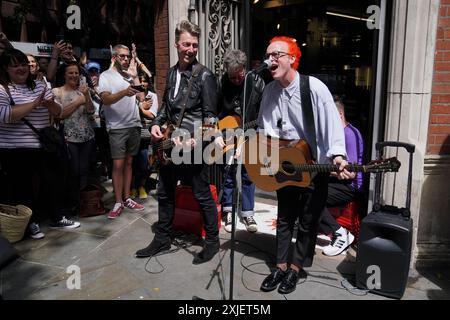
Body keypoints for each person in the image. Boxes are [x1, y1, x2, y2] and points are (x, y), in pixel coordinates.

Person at [257, 36, 350, 294]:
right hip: (286, 166)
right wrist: (268, 159)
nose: (271, 59)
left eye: (277, 54)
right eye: (268, 54)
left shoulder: (314, 88)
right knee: (285, 217)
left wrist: (338, 156)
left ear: (292, 59)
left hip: (314, 167)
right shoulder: (269, 91)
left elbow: (332, 125)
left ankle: (295, 269)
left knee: (308, 221)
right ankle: (280, 266)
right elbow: (266, 130)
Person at [135, 20, 221, 265]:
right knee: (165, 193)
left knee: (202, 194)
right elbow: (165, 109)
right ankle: (162, 238)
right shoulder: (172, 73)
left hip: (193, 149)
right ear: (176, 45)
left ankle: (212, 243)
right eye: (186, 44)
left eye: (195, 45)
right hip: (171, 147)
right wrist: (155, 123)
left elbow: (211, 118)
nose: (191, 49)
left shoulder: (205, 76)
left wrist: (197, 138)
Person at [0, 49, 80, 240]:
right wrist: (34, 104)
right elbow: (5, 116)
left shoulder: (38, 85)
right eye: (15, 65)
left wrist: (48, 104)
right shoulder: (3, 88)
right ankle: (29, 224)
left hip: (44, 146)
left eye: (23, 64)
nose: (21, 68)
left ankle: (57, 216)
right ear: (5, 69)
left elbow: (58, 112)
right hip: (15, 149)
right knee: (23, 188)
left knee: (53, 182)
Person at [217, 49, 264, 233]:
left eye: (239, 76)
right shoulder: (221, 82)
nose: (236, 80)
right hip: (227, 131)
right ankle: (228, 210)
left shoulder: (257, 82)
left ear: (244, 68)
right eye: (232, 77)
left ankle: (247, 212)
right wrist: (217, 133)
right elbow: (214, 109)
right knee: (228, 171)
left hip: (250, 132)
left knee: (249, 173)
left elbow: (262, 113)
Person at [97, 44, 146, 218]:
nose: (125, 59)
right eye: (122, 56)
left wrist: (135, 77)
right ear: (114, 58)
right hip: (117, 126)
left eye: (127, 56)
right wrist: (124, 93)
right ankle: (118, 201)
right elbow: (106, 99)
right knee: (117, 165)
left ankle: (126, 198)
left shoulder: (130, 75)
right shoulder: (106, 76)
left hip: (134, 124)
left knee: (129, 164)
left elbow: (141, 97)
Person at [319, 95, 364, 256]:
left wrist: (320, 169)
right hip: (336, 181)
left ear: (339, 114)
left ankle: (339, 233)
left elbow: (349, 173)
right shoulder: (338, 134)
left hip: (350, 187)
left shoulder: (349, 135)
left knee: (312, 197)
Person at [52, 62, 96, 215]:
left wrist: (86, 96)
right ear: (64, 75)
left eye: (76, 73)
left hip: (87, 137)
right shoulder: (57, 92)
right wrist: (77, 102)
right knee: (72, 171)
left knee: (84, 170)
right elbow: (59, 115)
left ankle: (82, 203)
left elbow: (91, 111)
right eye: (70, 73)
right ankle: (71, 202)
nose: (74, 76)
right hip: (68, 138)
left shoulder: (83, 91)